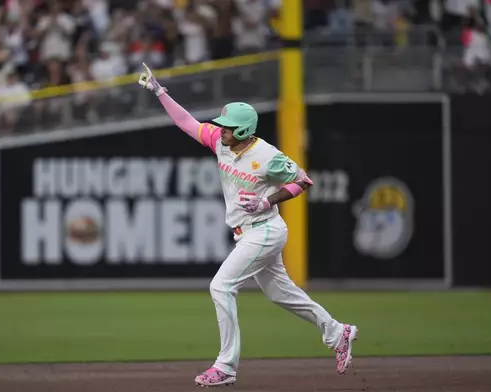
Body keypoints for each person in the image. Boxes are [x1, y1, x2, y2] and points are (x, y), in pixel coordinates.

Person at [138, 63, 358, 388]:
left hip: (266, 229)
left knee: (220, 286)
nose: (220, 129)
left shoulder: (267, 155)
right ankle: (338, 332)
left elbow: (303, 180)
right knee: (282, 294)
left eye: (227, 126)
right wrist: (160, 91)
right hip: (248, 233)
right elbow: (188, 123)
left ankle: (226, 366)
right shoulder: (221, 144)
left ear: (242, 130)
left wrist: (267, 201)